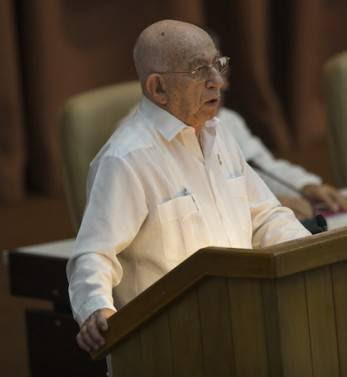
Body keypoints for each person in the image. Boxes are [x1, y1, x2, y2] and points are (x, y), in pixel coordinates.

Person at [66, 20, 310, 353]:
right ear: (158, 88)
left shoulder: (219, 133)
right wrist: (96, 309)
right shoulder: (125, 159)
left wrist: (308, 257)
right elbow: (94, 254)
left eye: (218, 65)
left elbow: (265, 216)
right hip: (169, 347)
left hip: (246, 328)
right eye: (199, 70)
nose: (218, 82)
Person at [218, 107, 347, 220]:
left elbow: (263, 169)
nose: (223, 85)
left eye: (224, 75)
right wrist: (267, 205)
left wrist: (307, 186)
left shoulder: (227, 119)